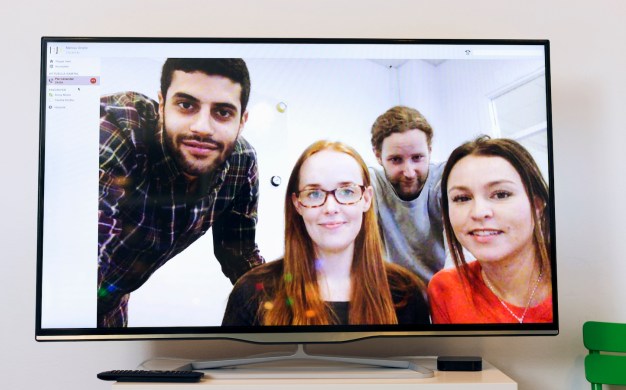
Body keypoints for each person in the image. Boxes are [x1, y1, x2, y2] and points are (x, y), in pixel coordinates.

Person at [98, 58, 264, 327]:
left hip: (114, 303)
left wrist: (281, 302)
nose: (202, 128)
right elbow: (86, 246)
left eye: (222, 112)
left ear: (242, 120)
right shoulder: (117, 130)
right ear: (162, 105)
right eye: (186, 105)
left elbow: (238, 253)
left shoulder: (241, 161)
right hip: (66, 299)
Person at [222, 140, 429, 326]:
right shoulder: (252, 292)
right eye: (314, 193)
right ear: (297, 204)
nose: (331, 208)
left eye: (347, 191)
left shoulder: (406, 293)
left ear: (366, 199)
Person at [427, 136, 553, 324]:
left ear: (536, 205)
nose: (479, 212)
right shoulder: (445, 290)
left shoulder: (579, 281)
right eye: (462, 198)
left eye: (501, 194)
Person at [369, 106, 445, 285]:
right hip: (400, 296)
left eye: (417, 157)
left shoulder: (445, 179)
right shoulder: (372, 185)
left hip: (447, 291)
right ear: (378, 156)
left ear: (430, 151)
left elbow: (464, 253)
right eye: (396, 160)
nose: (409, 172)